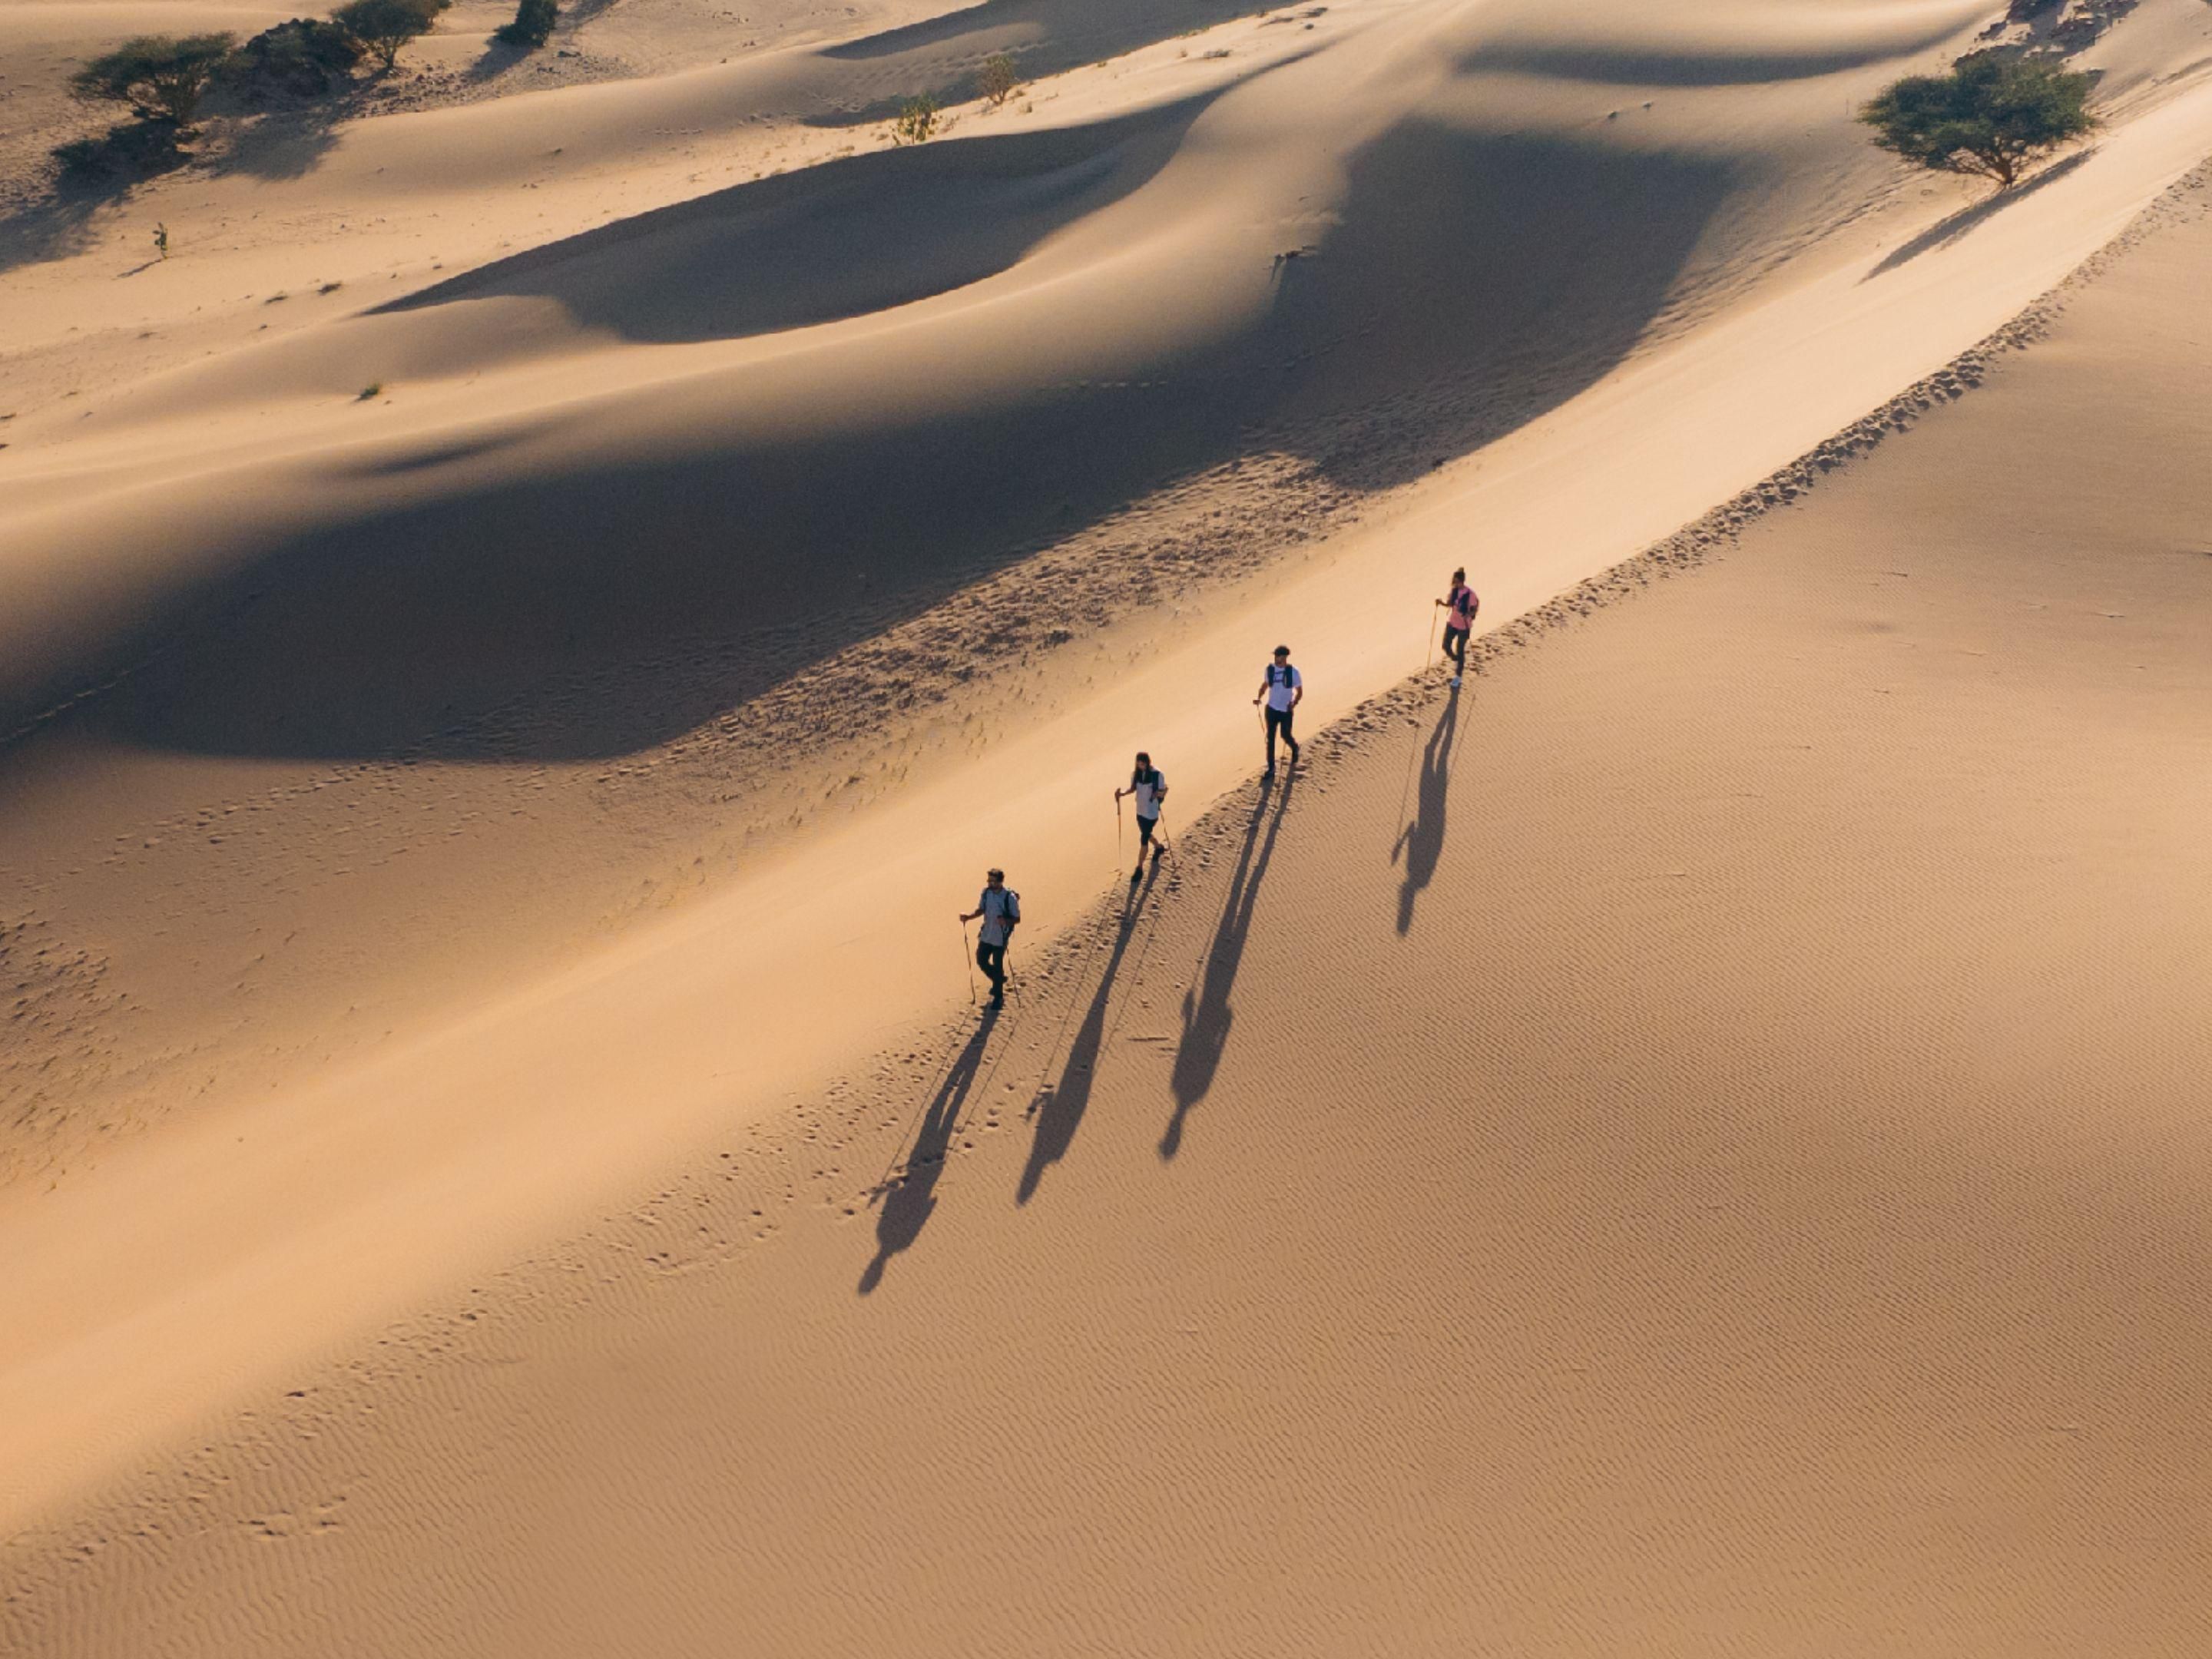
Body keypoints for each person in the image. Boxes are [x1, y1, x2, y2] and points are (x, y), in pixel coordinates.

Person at [959, 868, 1021, 1007]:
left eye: (993, 881)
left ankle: (998, 997)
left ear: (1000, 881)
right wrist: (968, 917)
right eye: (989, 881)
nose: (990, 884)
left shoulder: (1008, 898)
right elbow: (981, 910)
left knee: (998, 964)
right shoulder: (986, 893)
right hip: (987, 934)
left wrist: (1005, 921)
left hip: (1001, 937)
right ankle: (998, 979)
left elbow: (1017, 919)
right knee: (981, 960)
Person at [1114, 752, 1170, 884]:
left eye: (1143, 763)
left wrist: (1158, 793)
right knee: (1146, 834)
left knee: (1143, 838)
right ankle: (1159, 847)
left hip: (1151, 813)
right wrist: (1121, 794)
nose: (1141, 766)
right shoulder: (1136, 774)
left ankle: (1139, 868)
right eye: (1138, 764)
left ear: (1147, 762)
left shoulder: (1157, 774)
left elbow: (1165, 790)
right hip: (1140, 812)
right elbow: (1133, 789)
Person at [1252, 644, 1302, 777]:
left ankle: (1295, 747)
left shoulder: (1293, 672)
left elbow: (1299, 691)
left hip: (1286, 710)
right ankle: (1271, 769)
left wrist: (1294, 703)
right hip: (1272, 709)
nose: (1276, 658)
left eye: (1278, 656)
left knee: (1285, 735)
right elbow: (1265, 685)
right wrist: (1258, 697)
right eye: (1275, 656)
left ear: (1285, 657)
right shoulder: (1270, 670)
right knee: (1270, 739)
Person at [1435, 568, 1479, 687]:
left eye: (1456, 581)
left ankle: (1458, 676)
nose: (1454, 583)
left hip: (1464, 626)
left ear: (1462, 581)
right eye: (1454, 581)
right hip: (1453, 623)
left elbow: (1474, 608)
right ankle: (1457, 660)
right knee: (1446, 645)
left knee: (1460, 649)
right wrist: (1441, 603)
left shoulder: (1470, 594)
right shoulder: (1454, 591)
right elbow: (1450, 603)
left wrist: (1468, 614)